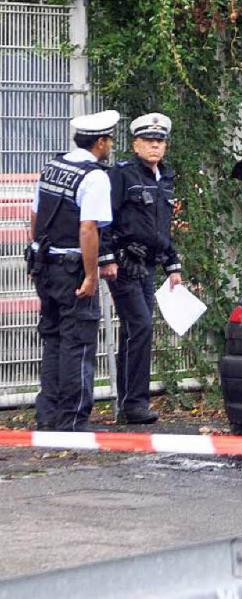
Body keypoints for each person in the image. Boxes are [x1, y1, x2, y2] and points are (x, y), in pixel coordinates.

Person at [29, 109, 118, 432]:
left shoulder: (52, 166)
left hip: (45, 265)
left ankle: (48, 415)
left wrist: (36, 257)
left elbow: (36, 215)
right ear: (100, 142)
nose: (109, 146)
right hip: (71, 269)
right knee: (77, 342)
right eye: (108, 140)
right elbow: (88, 229)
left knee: (52, 339)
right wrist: (91, 274)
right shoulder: (93, 177)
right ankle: (73, 419)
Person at [98, 113, 182, 425]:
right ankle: (134, 403)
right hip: (124, 263)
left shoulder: (165, 177)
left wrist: (173, 263)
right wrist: (107, 258)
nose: (155, 146)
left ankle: (128, 405)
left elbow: (161, 227)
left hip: (148, 264)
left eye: (159, 141)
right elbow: (104, 217)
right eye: (148, 141)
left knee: (135, 330)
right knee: (142, 326)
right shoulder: (122, 174)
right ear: (135, 144)